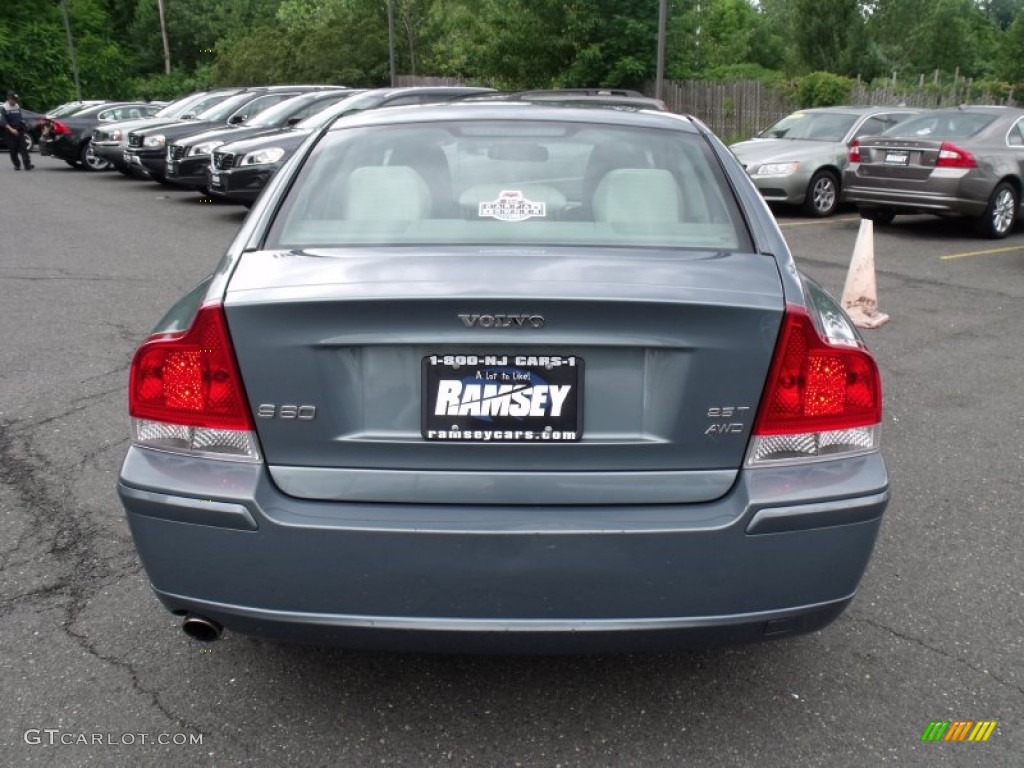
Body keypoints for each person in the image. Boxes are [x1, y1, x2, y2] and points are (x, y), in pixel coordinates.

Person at [1, 91, 34, 170]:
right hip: (10, 131)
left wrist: (23, 123)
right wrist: (11, 129)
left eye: (16, 99)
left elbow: (19, 117)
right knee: (13, 149)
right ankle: (17, 165)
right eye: (13, 99)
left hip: (19, 130)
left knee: (23, 148)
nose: (15, 101)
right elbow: (3, 121)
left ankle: (27, 164)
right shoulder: (4, 107)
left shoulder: (17, 106)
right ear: (9, 98)